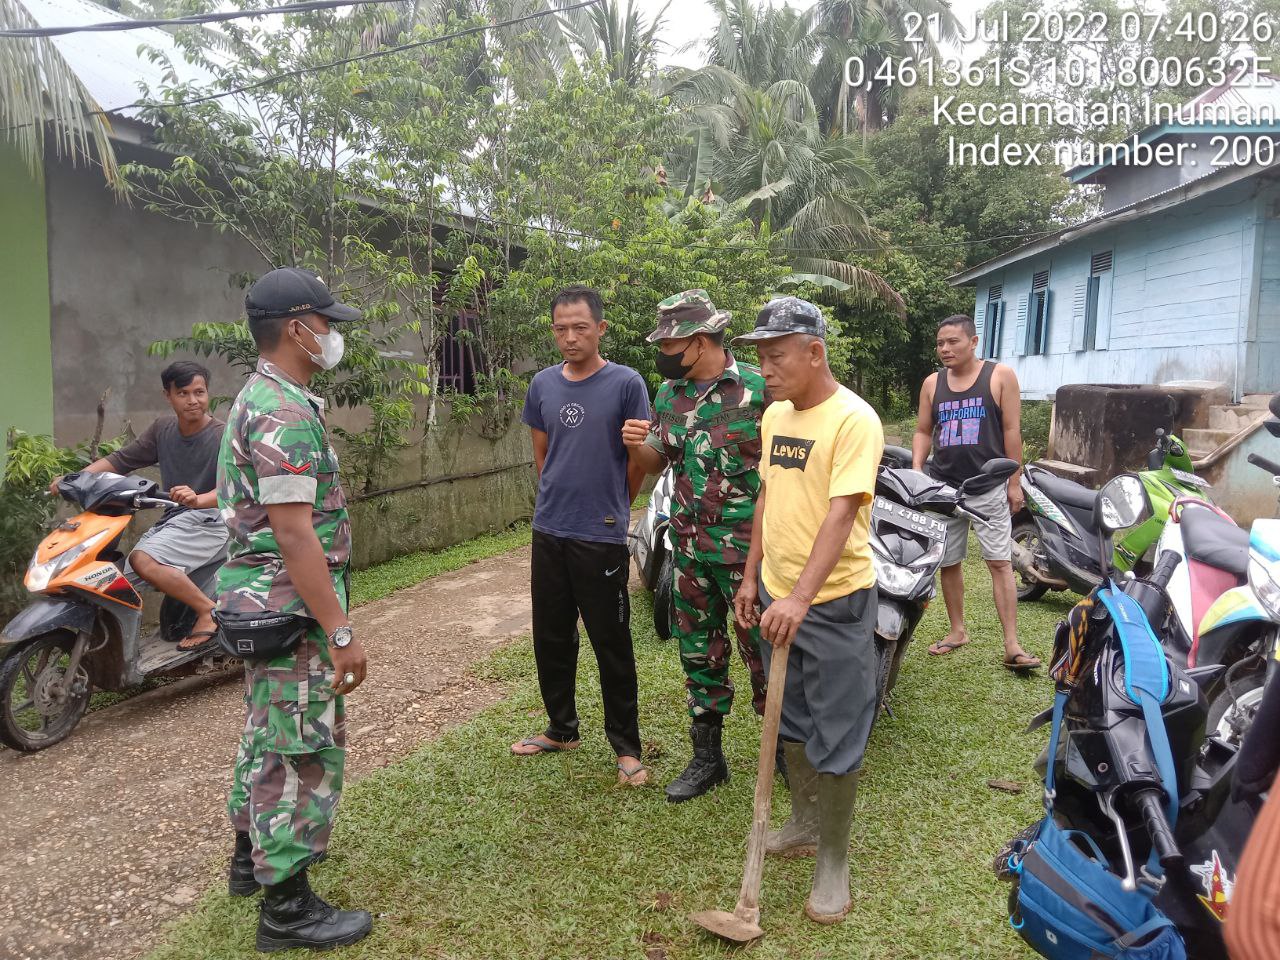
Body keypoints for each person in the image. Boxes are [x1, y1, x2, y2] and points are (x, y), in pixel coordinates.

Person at [217, 266, 372, 952]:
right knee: (299, 745)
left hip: (260, 602)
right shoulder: (282, 410)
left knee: (265, 729)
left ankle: (250, 861)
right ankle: (286, 907)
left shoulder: (260, 395)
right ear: (295, 329)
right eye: (326, 324)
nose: (332, 336)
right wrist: (339, 631)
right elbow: (293, 531)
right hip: (290, 609)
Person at [731, 296, 883, 925]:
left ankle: (833, 859)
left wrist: (800, 597)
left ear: (814, 353)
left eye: (775, 356)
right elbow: (769, 495)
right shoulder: (775, 419)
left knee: (838, 731)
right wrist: (753, 579)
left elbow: (842, 513)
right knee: (788, 716)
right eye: (760, 357)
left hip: (834, 601)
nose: (764, 369)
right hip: (776, 594)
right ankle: (801, 818)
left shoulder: (854, 420)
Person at [620, 290, 770, 803]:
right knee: (699, 653)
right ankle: (708, 758)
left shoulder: (759, 388)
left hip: (750, 551)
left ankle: (787, 754)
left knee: (764, 652)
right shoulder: (669, 395)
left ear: (701, 340)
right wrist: (634, 443)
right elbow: (658, 461)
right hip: (688, 548)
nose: (663, 351)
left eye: (671, 341)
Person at [510, 285, 652, 787]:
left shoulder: (626, 383)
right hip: (549, 529)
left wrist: (614, 505)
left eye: (580, 328)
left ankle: (627, 747)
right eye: (560, 329)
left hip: (601, 535)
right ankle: (561, 728)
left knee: (610, 641)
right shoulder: (543, 385)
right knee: (551, 636)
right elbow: (543, 458)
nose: (569, 338)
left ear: (600, 329)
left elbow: (639, 462)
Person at [50, 361, 228, 651]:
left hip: (210, 519)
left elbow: (232, 490)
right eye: (183, 393)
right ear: (167, 396)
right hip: (174, 521)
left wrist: (198, 498)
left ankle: (208, 611)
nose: (193, 400)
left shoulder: (222, 434)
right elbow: (121, 461)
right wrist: (78, 479)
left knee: (142, 560)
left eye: (200, 392)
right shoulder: (163, 429)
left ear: (208, 394)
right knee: (106, 581)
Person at [912, 315, 1041, 671]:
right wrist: (918, 472)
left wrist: (1014, 482)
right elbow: (923, 431)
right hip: (943, 487)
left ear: (973, 342)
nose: (945, 349)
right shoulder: (931, 383)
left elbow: (1012, 430)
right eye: (940, 343)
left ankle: (1012, 644)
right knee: (949, 562)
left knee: (999, 563)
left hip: (987, 486)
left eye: (953, 341)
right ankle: (957, 631)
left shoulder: (1000, 377)